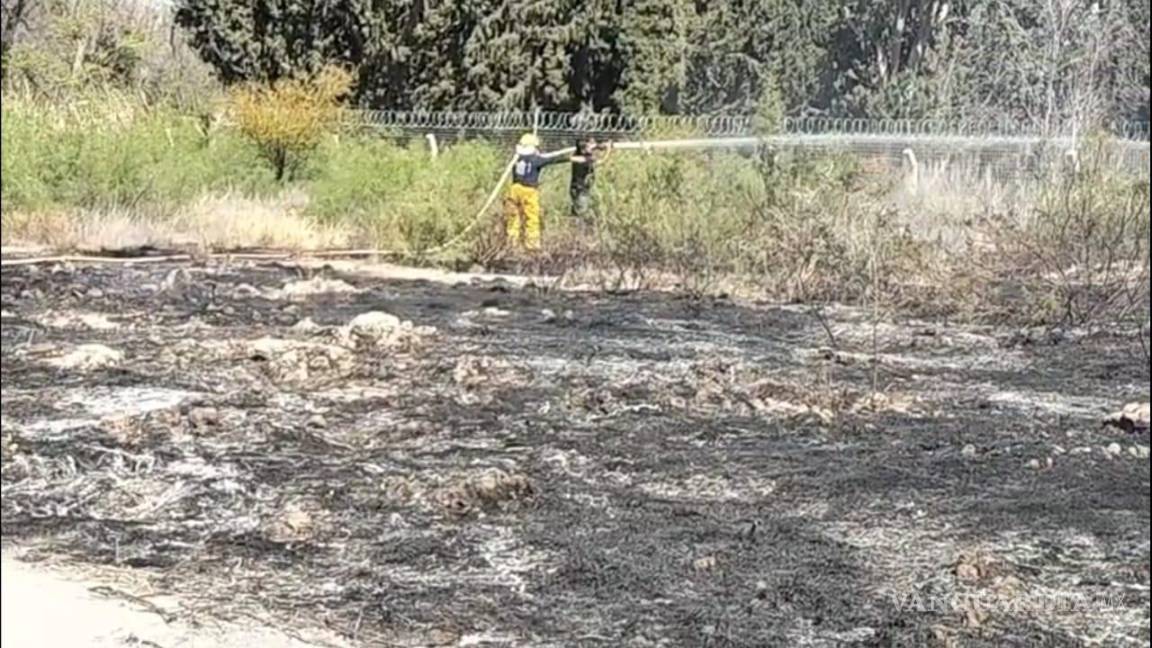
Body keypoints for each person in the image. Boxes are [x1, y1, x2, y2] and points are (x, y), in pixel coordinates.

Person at [504, 133, 569, 251]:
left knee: (514, 217)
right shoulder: (536, 159)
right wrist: (571, 158)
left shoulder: (517, 158)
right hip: (529, 191)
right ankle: (532, 244)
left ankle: (511, 243)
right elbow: (554, 159)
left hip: (514, 189)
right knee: (531, 217)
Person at [569, 137, 613, 224]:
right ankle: (578, 232)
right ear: (584, 148)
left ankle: (573, 228)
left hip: (575, 187)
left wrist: (597, 146)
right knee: (581, 213)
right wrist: (608, 149)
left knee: (576, 211)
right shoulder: (586, 159)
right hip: (582, 189)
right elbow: (602, 161)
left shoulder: (576, 155)